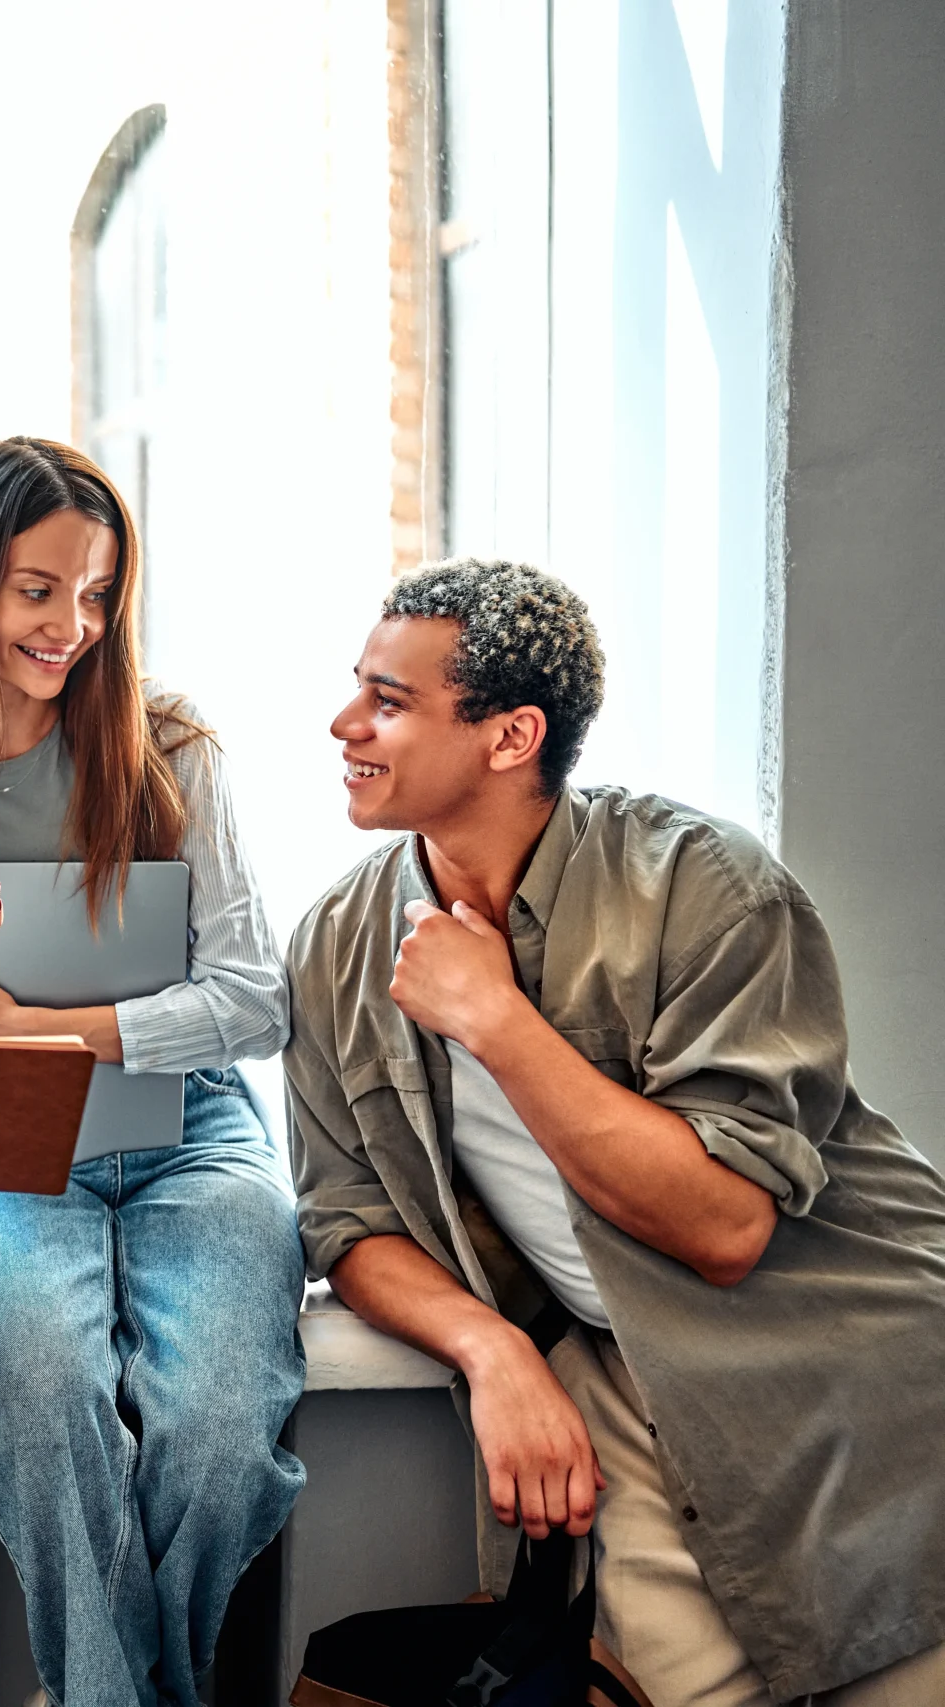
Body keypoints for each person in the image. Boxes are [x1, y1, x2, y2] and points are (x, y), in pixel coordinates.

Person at [289, 558, 945, 1705]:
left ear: (509, 736)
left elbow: (725, 1222)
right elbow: (345, 1219)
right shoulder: (337, 941)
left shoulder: (705, 887)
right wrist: (491, 1352)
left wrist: (496, 1020)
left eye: (389, 702)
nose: (344, 724)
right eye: (358, 690)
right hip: (614, 1400)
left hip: (854, 1388)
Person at [0, 437, 305, 1707]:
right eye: (37, 590)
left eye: (95, 594)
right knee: (37, 1391)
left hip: (188, 1135)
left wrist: (44, 1028)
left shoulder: (173, 748)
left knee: (222, 1430)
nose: (70, 626)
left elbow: (254, 1000)